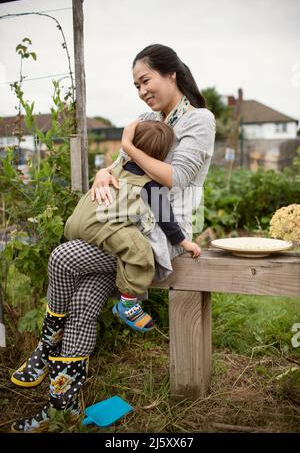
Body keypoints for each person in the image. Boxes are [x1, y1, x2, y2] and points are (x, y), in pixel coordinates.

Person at [10, 44, 216, 433]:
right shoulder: (146, 118)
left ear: (171, 74)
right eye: (136, 84)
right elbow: (124, 167)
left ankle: (45, 345)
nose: (141, 90)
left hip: (159, 234)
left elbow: (175, 178)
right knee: (85, 301)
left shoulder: (199, 120)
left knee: (65, 257)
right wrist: (104, 173)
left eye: (146, 80)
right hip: (120, 225)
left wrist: (126, 146)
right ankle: (61, 409)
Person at [63, 119, 201, 333]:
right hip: (104, 226)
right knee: (141, 252)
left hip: (74, 224)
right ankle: (127, 302)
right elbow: (166, 219)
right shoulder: (151, 184)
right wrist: (184, 242)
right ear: (161, 157)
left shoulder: (114, 169)